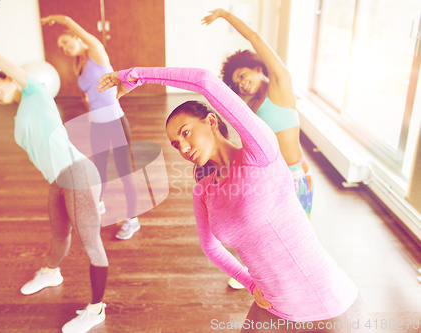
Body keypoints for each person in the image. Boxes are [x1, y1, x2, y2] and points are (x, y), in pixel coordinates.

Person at [97, 67, 369, 332]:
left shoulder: (259, 154)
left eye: (186, 132)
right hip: (273, 307)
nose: (184, 147)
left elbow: (204, 80)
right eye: (176, 144)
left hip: (329, 306)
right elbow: (211, 248)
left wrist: (134, 76)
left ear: (211, 121)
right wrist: (249, 283)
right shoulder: (204, 191)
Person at [0, 43, 108, 333]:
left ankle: (96, 309)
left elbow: (2, 57)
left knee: (91, 245)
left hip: (76, 173)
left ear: (11, 78)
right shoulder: (20, 115)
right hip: (58, 180)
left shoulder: (36, 90)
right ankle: (51, 273)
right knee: (58, 233)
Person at [203, 8, 314, 290]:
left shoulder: (281, 84)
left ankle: (299, 284)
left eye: (242, 75)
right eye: (236, 82)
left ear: (258, 68)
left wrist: (225, 16)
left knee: (297, 235)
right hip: (269, 179)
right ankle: (260, 277)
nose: (241, 82)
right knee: (263, 230)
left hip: (296, 176)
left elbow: (254, 37)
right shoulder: (249, 107)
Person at [41, 15, 140, 240]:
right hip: (97, 123)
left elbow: (72, 24)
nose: (64, 48)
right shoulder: (79, 64)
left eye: (66, 42)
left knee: (125, 173)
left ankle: (132, 220)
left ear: (77, 37)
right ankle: (99, 204)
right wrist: (89, 109)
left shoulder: (96, 52)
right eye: (61, 47)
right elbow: (91, 95)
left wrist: (60, 20)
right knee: (100, 170)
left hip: (115, 121)